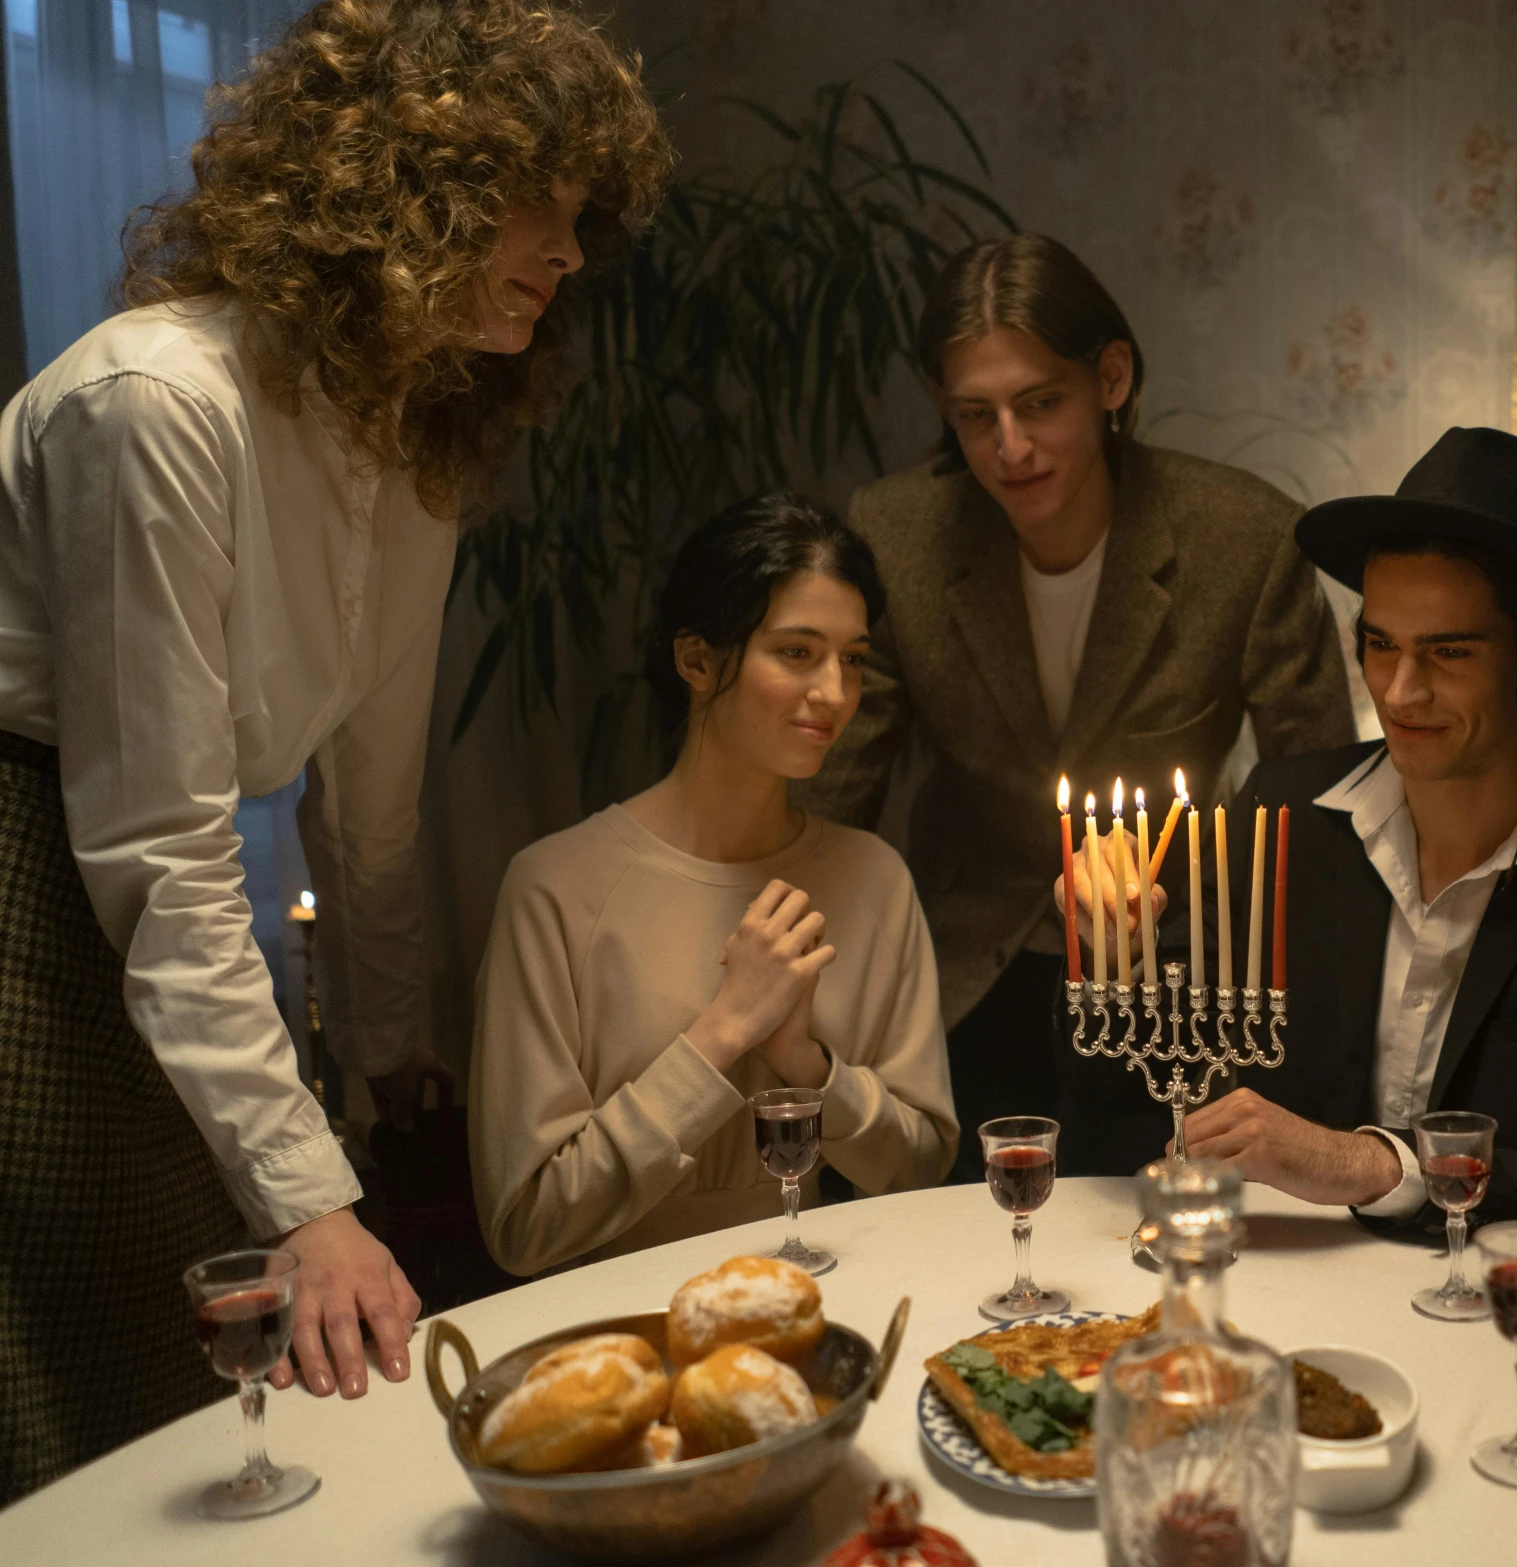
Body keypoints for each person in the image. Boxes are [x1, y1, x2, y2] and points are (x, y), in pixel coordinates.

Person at [0, 0, 668, 1501]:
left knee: (212, 1373)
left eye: (579, 219)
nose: (569, 258)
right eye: (539, 207)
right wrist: (312, 1195)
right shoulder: (157, 401)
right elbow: (161, 847)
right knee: (76, 1381)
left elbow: (368, 805)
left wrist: (387, 1062)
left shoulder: (411, 442)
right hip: (23, 901)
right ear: (400, 190)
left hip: (141, 907)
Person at [1070, 427, 1517, 1310]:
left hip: (1512, 1330)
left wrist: (1373, 1162)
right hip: (1288, 1300)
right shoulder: (1282, 815)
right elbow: (1128, 1083)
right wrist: (1106, 941)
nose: (1399, 691)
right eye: (1380, 644)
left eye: (1449, 652)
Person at [793, 233, 1355, 1180]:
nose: (1009, 448)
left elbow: (1316, 797)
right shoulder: (898, 533)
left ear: (1112, 378)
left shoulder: (1243, 537)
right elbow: (837, 777)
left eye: (1039, 403)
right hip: (969, 966)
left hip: (1178, 968)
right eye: (976, 416)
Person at [470, 496, 956, 1277]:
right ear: (696, 661)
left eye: (854, 659)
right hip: (619, 1335)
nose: (834, 692)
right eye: (797, 652)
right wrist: (722, 1032)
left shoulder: (875, 878)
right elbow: (525, 1224)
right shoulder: (553, 887)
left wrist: (807, 1062)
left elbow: (922, 1167)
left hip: (836, 1305)